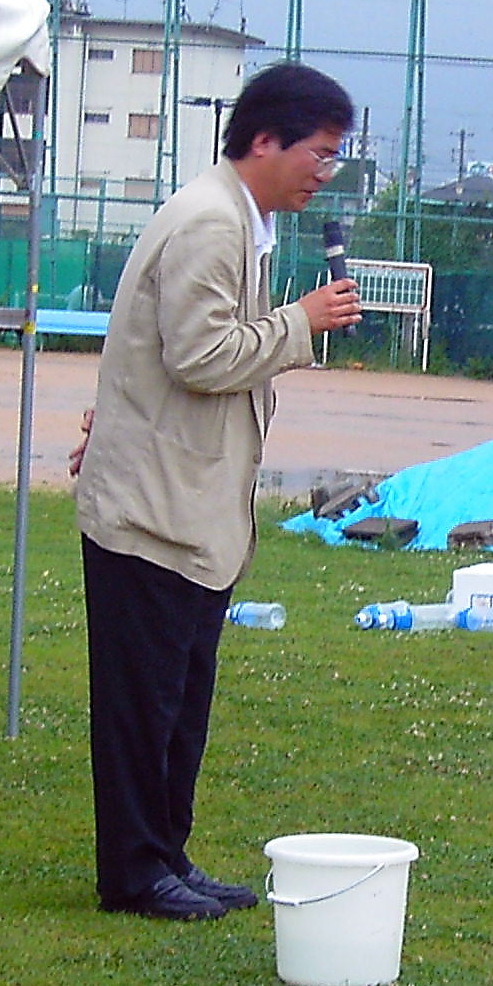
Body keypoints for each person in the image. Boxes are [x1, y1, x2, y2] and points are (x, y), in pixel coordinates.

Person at [72, 63, 362, 921]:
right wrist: (298, 323)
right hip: (150, 514)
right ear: (264, 140)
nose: (324, 171)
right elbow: (199, 358)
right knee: (142, 705)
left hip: (187, 511)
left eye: (334, 157)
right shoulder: (208, 222)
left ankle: (166, 855)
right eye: (319, 152)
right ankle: (133, 872)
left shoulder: (239, 222)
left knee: (179, 701)